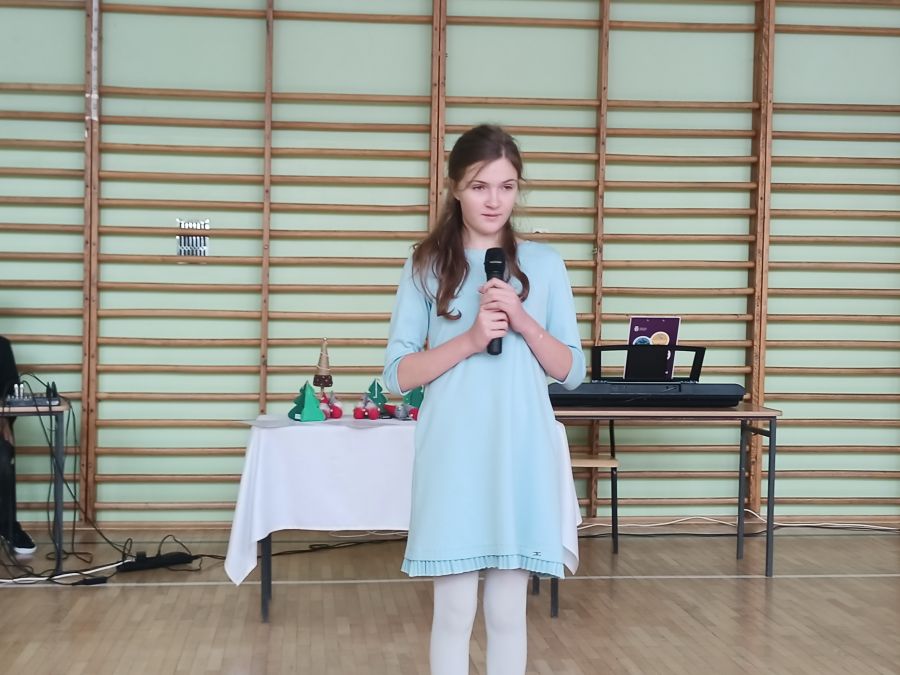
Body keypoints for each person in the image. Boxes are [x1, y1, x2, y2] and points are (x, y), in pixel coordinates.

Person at [383, 125, 585, 675]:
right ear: (455, 188)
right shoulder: (425, 266)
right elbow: (397, 376)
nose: (494, 200)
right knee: (453, 612)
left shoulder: (545, 266)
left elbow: (571, 372)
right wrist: (470, 340)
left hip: (521, 452)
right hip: (453, 454)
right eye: (479, 186)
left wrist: (522, 319)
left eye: (506, 186)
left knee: (508, 612)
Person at [0, 336, 37, 556]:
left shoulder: (2, 347)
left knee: (3, 458)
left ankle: (8, 526)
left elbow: (10, 392)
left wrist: (4, 421)